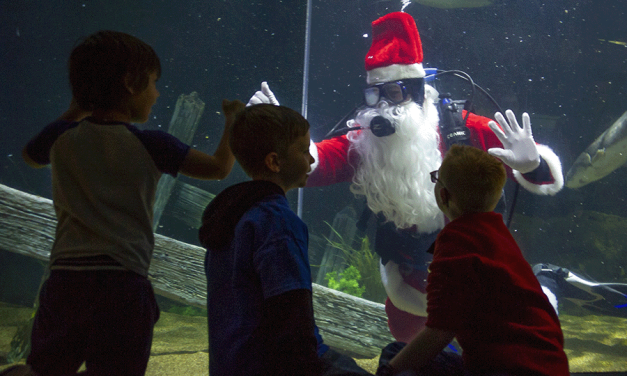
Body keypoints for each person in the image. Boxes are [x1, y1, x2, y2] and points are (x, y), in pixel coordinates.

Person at [248, 11, 564, 343]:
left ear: (416, 89)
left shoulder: (460, 129)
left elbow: (541, 175)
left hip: (474, 266)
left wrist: (533, 165)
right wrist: (284, 136)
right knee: (412, 340)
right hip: (410, 278)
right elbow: (317, 164)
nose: (383, 106)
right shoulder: (366, 142)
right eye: (374, 94)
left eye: (395, 92)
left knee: (511, 337)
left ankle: (549, 283)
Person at [19, 30, 242, 376]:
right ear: (129, 83)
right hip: (122, 285)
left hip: (65, 282)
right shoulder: (152, 145)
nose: (156, 94)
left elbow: (31, 156)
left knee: (45, 369)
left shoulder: (61, 139)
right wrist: (232, 121)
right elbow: (218, 169)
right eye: (153, 83)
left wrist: (79, 106)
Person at [200, 104, 371, 376]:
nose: (312, 160)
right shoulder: (278, 223)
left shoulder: (231, 215)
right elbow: (293, 322)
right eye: (304, 151)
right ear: (274, 162)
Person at [376, 145, 569, 376]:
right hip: (550, 365)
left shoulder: (455, 243)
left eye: (436, 178)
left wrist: (389, 372)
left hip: (506, 370)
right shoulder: (498, 232)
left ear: (443, 195)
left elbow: (439, 331)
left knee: (393, 357)